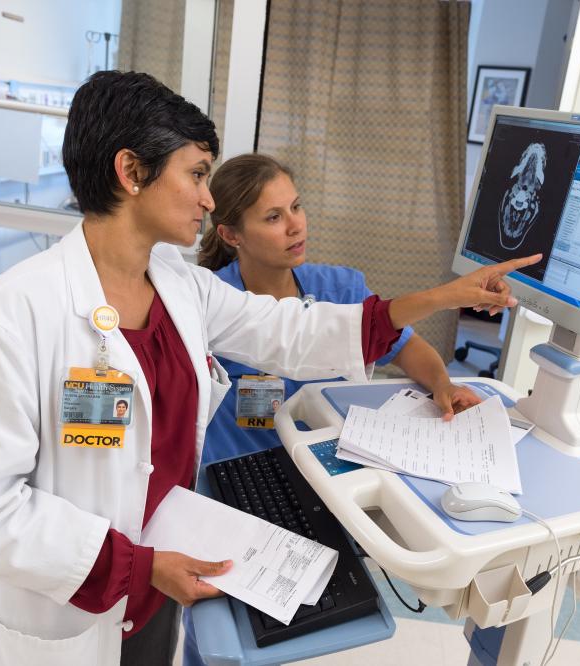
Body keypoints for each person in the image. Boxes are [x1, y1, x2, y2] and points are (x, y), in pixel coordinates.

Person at [0, 70, 539, 666]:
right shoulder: (9, 319)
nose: (207, 197)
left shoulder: (180, 287)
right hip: (71, 605)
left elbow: (291, 330)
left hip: (161, 572)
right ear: (131, 172)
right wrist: (138, 566)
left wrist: (440, 297)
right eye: (194, 175)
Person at [179, 152, 491, 665]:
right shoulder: (213, 300)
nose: (295, 225)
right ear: (231, 234)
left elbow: (402, 344)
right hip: (237, 480)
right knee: (223, 627)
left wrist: (441, 384)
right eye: (273, 217)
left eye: (296, 207)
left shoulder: (339, 288)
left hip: (326, 475)